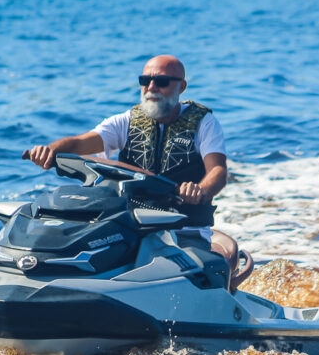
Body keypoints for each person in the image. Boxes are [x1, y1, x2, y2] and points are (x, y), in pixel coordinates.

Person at [27, 54, 227, 249]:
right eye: (145, 80)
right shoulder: (126, 121)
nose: (151, 87)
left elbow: (217, 171)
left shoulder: (204, 123)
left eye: (162, 81)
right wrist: (50, 150)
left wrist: (200, 190)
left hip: (186, 227)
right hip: (132, 225)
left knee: (196, 268)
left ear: (181, 87)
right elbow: (79, 143)